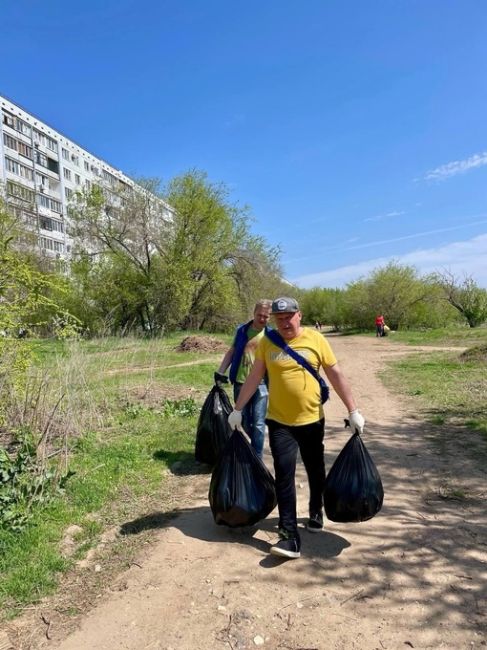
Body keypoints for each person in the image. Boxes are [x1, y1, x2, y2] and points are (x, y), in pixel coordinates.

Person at [228, 296, 365, 560]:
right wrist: (237, 409)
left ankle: (316, 509)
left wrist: (353, 410)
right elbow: (255, 377)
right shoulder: (268, 342)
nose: (284, 322)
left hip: (312, 420)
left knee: (315, 469)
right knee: (284, 475)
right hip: (280, 422)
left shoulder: (316, 340)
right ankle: (289, 534)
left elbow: (336, 375)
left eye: (288, 316)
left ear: (299, 315)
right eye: (279, 318)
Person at [215, 299, 273, 458]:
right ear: (254, 313)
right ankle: (252, 448)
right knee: (245, 421)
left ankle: (257, 459)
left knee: (259, 424)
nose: (262, 319)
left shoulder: (271, 335)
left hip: (261, 384)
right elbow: (232, 351)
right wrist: (220, 371)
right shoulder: (242, 331)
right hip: (240, 382)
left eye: (266, 316)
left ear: (270, 317)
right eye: (259, 315)